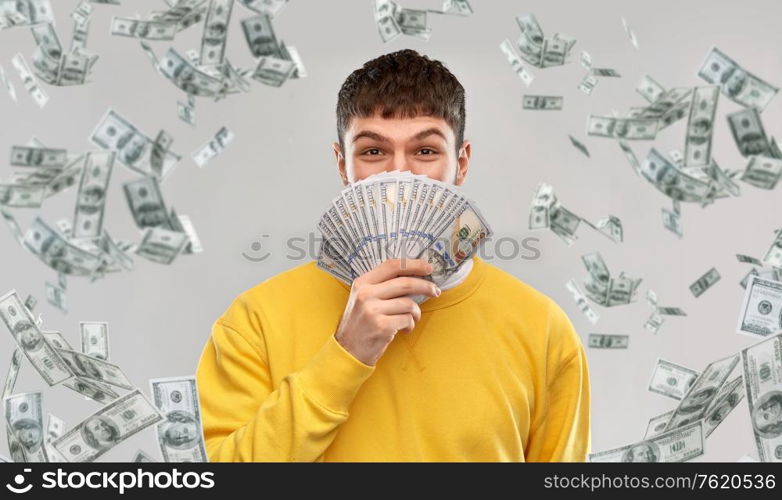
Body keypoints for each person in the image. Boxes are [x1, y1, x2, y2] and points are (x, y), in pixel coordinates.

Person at [196, 49, 591, 462]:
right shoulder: (254, 322)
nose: (398, 175)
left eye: (425, 152)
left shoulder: (544, 331)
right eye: (372, 152)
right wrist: (345, 354)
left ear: (461, 163)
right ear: (342, 165)